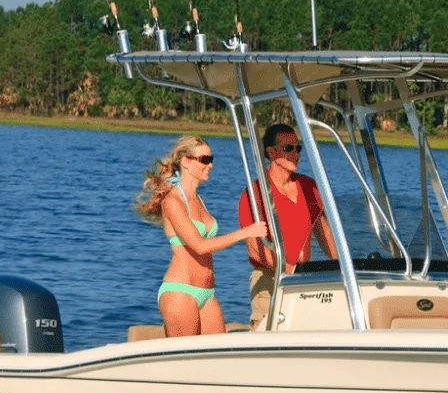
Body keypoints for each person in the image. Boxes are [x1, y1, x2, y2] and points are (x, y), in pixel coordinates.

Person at [134, 135, 268, 337]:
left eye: (211, 159)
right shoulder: (173, 201)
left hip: (207, 293)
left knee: (218, 351)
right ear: (186, 161)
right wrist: (246, 232)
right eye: (204, 160)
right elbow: (199, 245)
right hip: (181, 290)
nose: (210, 165)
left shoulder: (198, 200)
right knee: (184, 356)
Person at [237, 123, 338, 329]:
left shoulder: (308, 186)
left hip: (303, 276)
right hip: (269, 278)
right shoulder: (255, 192)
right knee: (267, 335)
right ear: (272, 152)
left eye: (298, 148)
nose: (295, 154)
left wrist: (344, 265)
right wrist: (287, 269)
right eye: (288, 148)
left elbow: (323, 230)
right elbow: (255, 249)